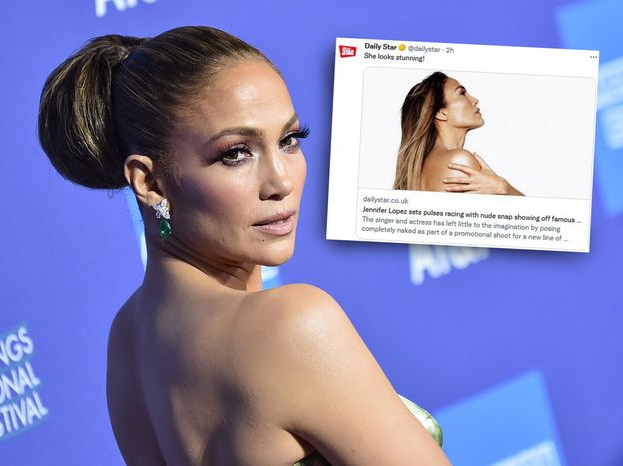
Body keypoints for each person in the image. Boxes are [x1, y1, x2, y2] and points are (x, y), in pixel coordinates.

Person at [38, 26, 450, 465]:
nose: (281, 181)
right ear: (150, 182)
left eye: (289, 141)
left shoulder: (127, 339)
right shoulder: (292, 325)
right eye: (235, 153)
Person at [393, 71, 523, 195]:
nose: (475, 100)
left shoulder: (419, 169)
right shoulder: (459, 162)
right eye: (462, 93)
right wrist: (503, 187)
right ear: (441, 113)